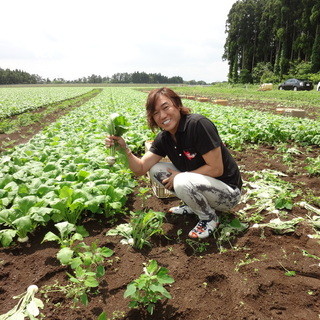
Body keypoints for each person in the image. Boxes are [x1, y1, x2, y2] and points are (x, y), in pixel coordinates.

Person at [105, 87, 242, 239]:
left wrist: (181, 176)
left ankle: (208, 218)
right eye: (155, 113)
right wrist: (124, 149)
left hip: (227, 194)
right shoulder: (164, 138)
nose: (162, 115)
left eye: (165, 107)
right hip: (201, 185)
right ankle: (194, 205)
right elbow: (141, 168)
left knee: (181, 180)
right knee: (155, 169)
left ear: (177, 105)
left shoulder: (197, 125)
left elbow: (216, 169)